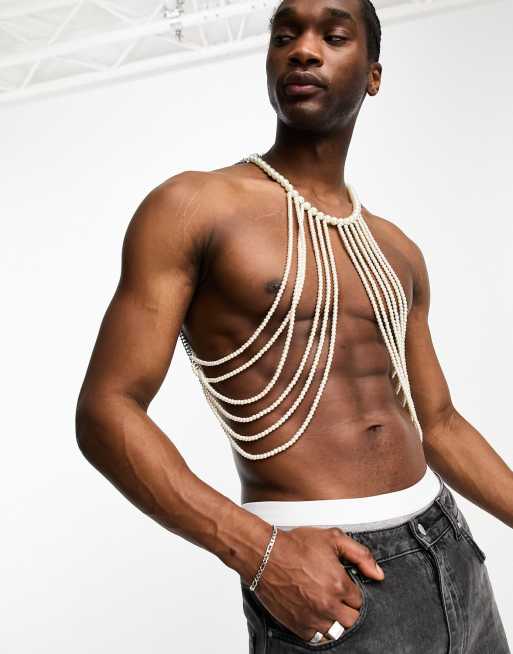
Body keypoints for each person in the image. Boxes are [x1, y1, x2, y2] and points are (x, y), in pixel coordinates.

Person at [75, 0, 512, 650]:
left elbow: (439, 422)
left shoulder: (396, 249)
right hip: (329, 577)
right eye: (284, 36)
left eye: (332, 36)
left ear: (373, 75)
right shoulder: (193, 207)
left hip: (448, 546)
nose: (302, 50)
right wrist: (258, 551)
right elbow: (106, 409)